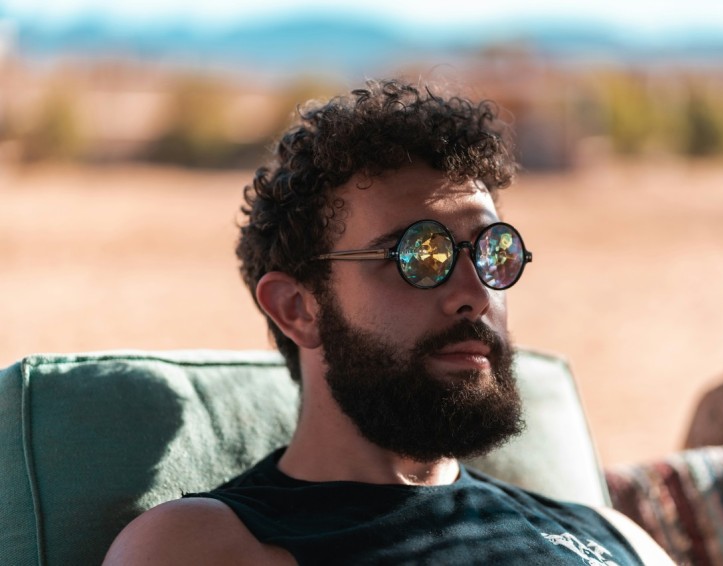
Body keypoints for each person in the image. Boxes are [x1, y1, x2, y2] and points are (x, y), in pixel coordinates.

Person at [104, 78, 672, 565]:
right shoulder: (213, 544)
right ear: (298, 309)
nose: (473, 293)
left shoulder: (608, 535)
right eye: (421, 256)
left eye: (494, 252)